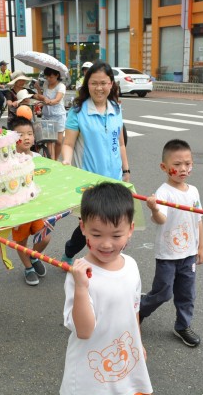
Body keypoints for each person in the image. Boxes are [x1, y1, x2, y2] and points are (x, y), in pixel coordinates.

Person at [60, 182, 152, 395]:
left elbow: (134, 310)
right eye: (97, 234)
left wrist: (138, 344)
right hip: (89, 373)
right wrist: (82, 288)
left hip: (124, 359)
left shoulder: (131, 265)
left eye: (116, 235)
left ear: (130, 229)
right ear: (83, 228)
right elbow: (83, 331)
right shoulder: (80, 275)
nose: (107, 244)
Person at [60, 61, 130, 265]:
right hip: (89, 182)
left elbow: (121, 142)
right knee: (90, 226)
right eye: (94, 83)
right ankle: (69, 252)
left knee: (115, 224)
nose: (99, 88)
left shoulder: (116, 108)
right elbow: (69, 143)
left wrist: (126, 169)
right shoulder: (78, 111)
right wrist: (66, 160)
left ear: (111, 84)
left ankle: (105, 264)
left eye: (104, 83)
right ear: (87, 85)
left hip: (115, 179)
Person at [138, 139, 203, 347]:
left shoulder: (193, 191)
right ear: (164, 167)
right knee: (163, 292)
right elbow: (161, 220)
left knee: (187, 293)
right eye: (177, 165)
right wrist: (154, 209)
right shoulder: (163, 193)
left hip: (189, 254)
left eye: (187, 163)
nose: (183, 168)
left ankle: (182, 326)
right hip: (168, 254)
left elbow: (199, 220)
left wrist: (200, 248)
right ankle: (139, 310)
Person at [10, 116, 50, 285]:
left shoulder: (37, 157)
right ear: (12, 138)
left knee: (45, 238)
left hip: (36, 206)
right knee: (21, 241)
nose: (26, 137)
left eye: (30, 133)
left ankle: (33, 256)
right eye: (21, 134)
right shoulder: (9, 160)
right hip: (18, 208)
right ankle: (28, 267)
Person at [34, 67, 66, 160]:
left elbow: (57, 99)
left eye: (51, 77)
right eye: (47, 77)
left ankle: (55, 159)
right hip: (47, 116)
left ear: (57, 75)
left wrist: (49, 102)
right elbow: (42, 97)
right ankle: (51, 160)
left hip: (58, 116)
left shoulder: (61, 86)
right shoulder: (45, 84)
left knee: (59, 142)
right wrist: (38, 89)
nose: (48, 79)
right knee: (49, 140)